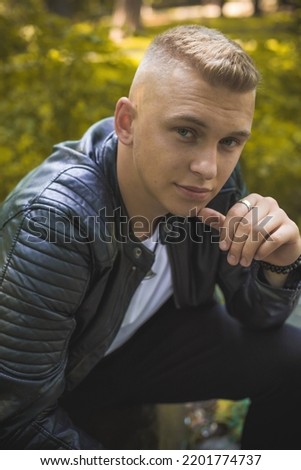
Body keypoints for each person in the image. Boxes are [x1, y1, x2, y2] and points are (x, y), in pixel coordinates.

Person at [1, 24, 301, 451]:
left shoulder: (216, 177)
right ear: (127, 122)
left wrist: (280, 263)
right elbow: (15, 420)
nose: (209, 168)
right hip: (69, 373)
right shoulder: (54, 223)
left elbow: (257, 317)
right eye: (186, 131)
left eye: (230, 141)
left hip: (149, 339)